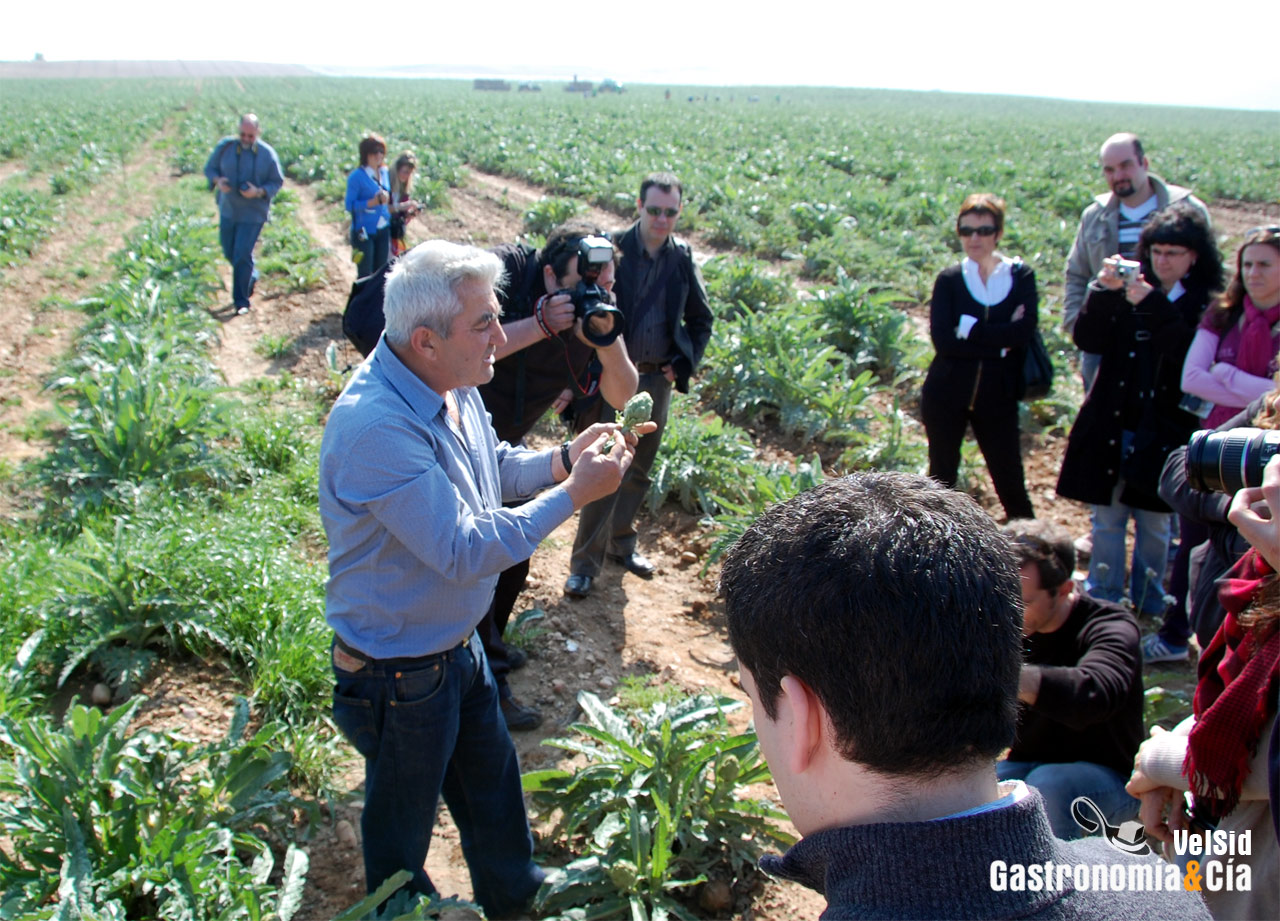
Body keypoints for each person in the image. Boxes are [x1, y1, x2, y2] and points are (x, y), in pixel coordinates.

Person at [319, 240, 648, 915]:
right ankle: (399, 909)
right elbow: (464, 549)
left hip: (456, 648)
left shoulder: (452, 380)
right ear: (425, 340)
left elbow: (492, 467)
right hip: (397, 672)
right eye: (484, 324)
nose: (503, 335)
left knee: (494, 793)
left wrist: (560, 461)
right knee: (399, 833)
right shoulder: (375, 427)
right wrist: (575, 496)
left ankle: (516, 900)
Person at [719, 472, 1210, 920]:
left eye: (754, 699)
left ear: (802, 719)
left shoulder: (1108, 627)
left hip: (1097, 777)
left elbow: (1095, 692)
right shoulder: (1175, 893)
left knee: (1056, 784)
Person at [475, 221, 638, 729]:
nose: (594, 292)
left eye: (605, 283)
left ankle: (491, 649)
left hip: (507, 446)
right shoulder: (508, 280)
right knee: (482, 562)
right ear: (548, 276)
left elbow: (625, 392)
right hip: (454, 437)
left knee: (514, 564)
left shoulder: (595, 312)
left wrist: (604, 334)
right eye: (582, 282)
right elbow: (458, 344)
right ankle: (487, 687)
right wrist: (540, 323)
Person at [1125, 454, 1279, 921]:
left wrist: (1160, 762)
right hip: (1225, 862)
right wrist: (1178, 752)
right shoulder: (1262, 566)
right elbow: (1239, 699)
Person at [1057, 203, 1213, 619]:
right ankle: (1106, 596)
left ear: (1193, 257)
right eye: (1157, 251)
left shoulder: (1204, 305)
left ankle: (1148, 600)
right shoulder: (1129, 292)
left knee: (1155, 524)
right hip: (1115, 422)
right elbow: (1089, 338)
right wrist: (1104, 292)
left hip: (1163, 431)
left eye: (1173, 253)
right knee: (1106, 518)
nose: (1163, 261)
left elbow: (1184, 354)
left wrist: (1153, 304)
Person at [565, 172, 713, 598]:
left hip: (656, 380)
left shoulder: (681, 258)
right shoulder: (614, 250)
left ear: (678, 212)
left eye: (670, 211)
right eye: (654, 210)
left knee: (639, 469)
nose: (662, 219)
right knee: (603, 467)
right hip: (614, 377)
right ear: (639, 206)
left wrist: (681, 365)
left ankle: (621, 545)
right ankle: (584, 566)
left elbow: (701, 320)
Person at [1000, 519, 1144, 839]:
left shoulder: (1110, 626)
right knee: (974, 792)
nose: (1009, 613)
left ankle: (1050, 886)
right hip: (1028, 769)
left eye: (1022, 603)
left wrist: (1003, 675)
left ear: (1065, 589)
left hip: (1113, 779)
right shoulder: (1006, 626)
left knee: (1048, 786)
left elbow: (1093, 695)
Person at [921, 193, 1037, 520]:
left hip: (998, 396)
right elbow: (943, 341)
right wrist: (1000, 342)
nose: (975, 238)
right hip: (945, 393)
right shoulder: (950, 280)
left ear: (998, 233)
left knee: (1010, 479)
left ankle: (1034, 556)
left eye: (984, 230)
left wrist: (970, 331)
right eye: (967, 230)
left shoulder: (1020, 277)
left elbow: (1024, 332)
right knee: (940, 478)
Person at [1064, 132, 1209, 392]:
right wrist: (1076, 322)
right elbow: (1076, 273)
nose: (1118, 176)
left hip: (1168, 335)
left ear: (1144, 163)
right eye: (1109, 170)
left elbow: (1208, 275)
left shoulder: (1186, 209)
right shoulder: (1096, 215)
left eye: (1125, 165)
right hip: (1107, 337)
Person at [1181, 226, 1280, 430]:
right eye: (1247, 265)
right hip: (1217, 436)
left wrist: (1225, 374)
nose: (1253, 273)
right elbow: (1191, 379)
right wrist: (1258, 396)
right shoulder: (1222, 313)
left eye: (1264, 265)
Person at [203, 113, 284, 316]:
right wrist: (218, 181)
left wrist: (258, 192)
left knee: (242, 253)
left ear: (258, 133)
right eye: (243, 135)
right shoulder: (226, 147)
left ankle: (241, 301)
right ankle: (250, 275)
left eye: (250, 136)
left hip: (253, 213)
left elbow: (277, 181)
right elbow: (209, 168)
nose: (246, 139)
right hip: (229, 210)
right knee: (229, 252)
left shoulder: (267, 154)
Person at [344, 134, 391, 279]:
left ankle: (377, 302)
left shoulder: (384, 172)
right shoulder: (356, 177)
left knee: (381, 273)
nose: (379, 155)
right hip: (363, 231)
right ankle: (363, 302)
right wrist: (371, 202)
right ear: (366, 154)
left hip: (383, 228)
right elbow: (349, 205)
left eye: (381, 151)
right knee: (365, 275)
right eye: (374, 151)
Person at [389, 151, 421, 259]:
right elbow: (384, 209)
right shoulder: (386, 184)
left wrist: (409, 214)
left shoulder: (403, 190)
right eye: (404, 172)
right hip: (382, 231)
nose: (406, 176)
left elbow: (401, 216)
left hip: (395, 233)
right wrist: (404, 205)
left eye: (409, 173)